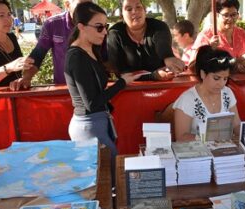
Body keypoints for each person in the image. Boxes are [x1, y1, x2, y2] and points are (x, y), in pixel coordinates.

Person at [65, 2, 140, 185]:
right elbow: (92, 102)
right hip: (88, 125)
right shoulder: (77, 56)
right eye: (99, 27)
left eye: (105, 27)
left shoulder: (90, 50)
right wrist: (122, 83)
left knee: (110, 179)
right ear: (81, 27)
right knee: (107, 182)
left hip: (96, 122)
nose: (105, 32)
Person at [13, 0, 91, 89]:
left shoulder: (97, 24)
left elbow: (105, 56)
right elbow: (38, 54)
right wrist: (26, 78)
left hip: (94, 88)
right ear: (67, 4)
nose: (87, 10)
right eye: (81, 5)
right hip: (63, 88)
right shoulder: (52, 24)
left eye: (89, 5)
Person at [173, 45, 241, 142]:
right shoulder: (187, 99)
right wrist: (206, 138)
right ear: (203, 74)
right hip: (198, 154)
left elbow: (237, 125)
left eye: (225, 79)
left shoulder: (227, 93)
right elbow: (181, 138)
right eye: (216, 78)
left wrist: (243, 133)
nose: (221, 84)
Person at [107, 0, 185, 81]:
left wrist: (169, 58)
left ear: (145, 10)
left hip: (162, 85)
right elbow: (118, 72)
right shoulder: (114, 33)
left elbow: (164, 49)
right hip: (128, 88)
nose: (135, 11)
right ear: (122, 14)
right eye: (129, 9)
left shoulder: (159, 27)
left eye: (138, 7)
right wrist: (152, 76)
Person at [191, 0, 245, 73]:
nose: (230, 19)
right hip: (217, 83)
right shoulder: (205, 36)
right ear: (216, 15)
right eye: (226, 15)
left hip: (240, 80)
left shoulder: (241, 33)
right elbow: (192, 67)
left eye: (234, 14)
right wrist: (209, 49)